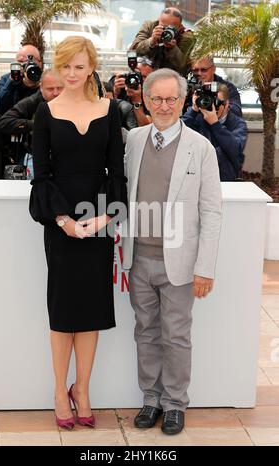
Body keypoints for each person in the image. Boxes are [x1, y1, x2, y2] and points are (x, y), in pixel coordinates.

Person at [29, 36, 127, 430]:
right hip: (61, 223)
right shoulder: (45, 112)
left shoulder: (111, 110)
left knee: (91, 311)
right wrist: (64, 221)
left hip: (98, 221)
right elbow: (41, 177)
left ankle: (82, 389)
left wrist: (103, 218)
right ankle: (59, 390)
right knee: (64, 311)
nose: (72, 74)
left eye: (79, 67)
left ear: (91, 68)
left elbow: (117, 173)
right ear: (58, 65)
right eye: (66, 66)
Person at [122, 68, 222, 435]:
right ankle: (151, 399)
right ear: (146, 101)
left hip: (179, 262)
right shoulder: (132, 140)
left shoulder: (201, 147)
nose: (164, 106)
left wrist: (205, 267)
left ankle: (175, 404)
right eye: (157, 99)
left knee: (176, 335)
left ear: (183, 101)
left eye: (171, 99)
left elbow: (212, 211)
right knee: (145, 331)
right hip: (139, 259)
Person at [0, 69, 64, 171]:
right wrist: (35, 125)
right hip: (36, 157)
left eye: (60, 88)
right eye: (50, 89)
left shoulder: (74, 102)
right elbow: (3, 123)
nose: (56, 93)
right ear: (41, 87)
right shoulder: (33, 101)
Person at [182, 83, 247, 181]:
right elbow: (178, 133)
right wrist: (194, 109)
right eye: (208, 101)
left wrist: (215, 125)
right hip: (197, 178)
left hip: (224, 180)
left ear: (226, 104)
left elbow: (235, 150)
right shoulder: (199, 118)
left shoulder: (238, 124)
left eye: (216, 102)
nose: (212, 107)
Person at [130, 7, 194, 77]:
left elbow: (185, 68)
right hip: (145, 74)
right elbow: (132, 51)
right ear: (159, 21)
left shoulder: (186, 36)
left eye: (171, 28)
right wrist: (151, 41)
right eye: (163, 27)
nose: (166, 31)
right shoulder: (150, 26)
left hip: (170, 78)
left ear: (180, 27)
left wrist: (173, 49)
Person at [0, 44, 43, 114]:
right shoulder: (6, 79)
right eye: (20, 61)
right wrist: (10, 82)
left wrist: (35, 87)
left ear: (39, 64)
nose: (23, 65)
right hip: (10, 122)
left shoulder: (45, 80)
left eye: (28, 62)